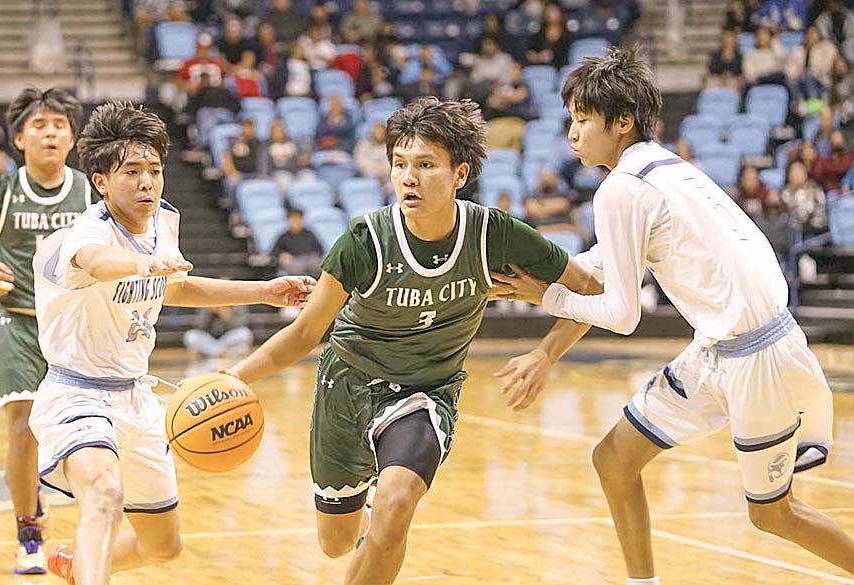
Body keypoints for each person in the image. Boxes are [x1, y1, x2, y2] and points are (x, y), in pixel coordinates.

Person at [494, 47, 854, 584]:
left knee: (772, 514)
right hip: (725, 346)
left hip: (759, 358)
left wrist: (542, 296)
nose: (572, 133)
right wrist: (547, 323)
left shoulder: (621, 188)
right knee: (614, 460)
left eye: (582, 119)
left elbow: (620, 312)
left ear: (622, 122)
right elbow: (594, 271)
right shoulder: (666, 167)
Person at [222, 97, 599, 585]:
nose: (408, 178)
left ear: (460, 174)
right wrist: (235, 377)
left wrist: (546, 352)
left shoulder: (494, 235)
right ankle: (370, 523)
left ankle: (384, 515)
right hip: (348, 386)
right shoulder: (364, 241)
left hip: (426, 391)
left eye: (425, 165)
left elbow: (591, 289)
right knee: (335, 543)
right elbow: (304, 334)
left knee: (396, 506)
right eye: (400, 164)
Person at [29, 102, 314, 585]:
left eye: (154, 171)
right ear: (100, 181)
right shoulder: (85, 234)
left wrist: (263, 292)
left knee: (163, 546)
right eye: (132, 172)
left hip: (138, 398)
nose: (146, 182)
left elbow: (175, 286)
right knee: (103, 493)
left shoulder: (162, 220)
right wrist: (142, 264)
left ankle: (77, 565)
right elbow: (99, 262)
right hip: (76, 396)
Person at [0, 87, 92, 575]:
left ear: (72, 137)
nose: (50, 133)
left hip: (77, 328)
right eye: (39, 125)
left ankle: (97, 522)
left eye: (59, 125)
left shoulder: (90, 191)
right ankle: (29, 529)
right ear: (19, 137)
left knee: (87, 431)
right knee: (24, 430)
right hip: (18, 323)